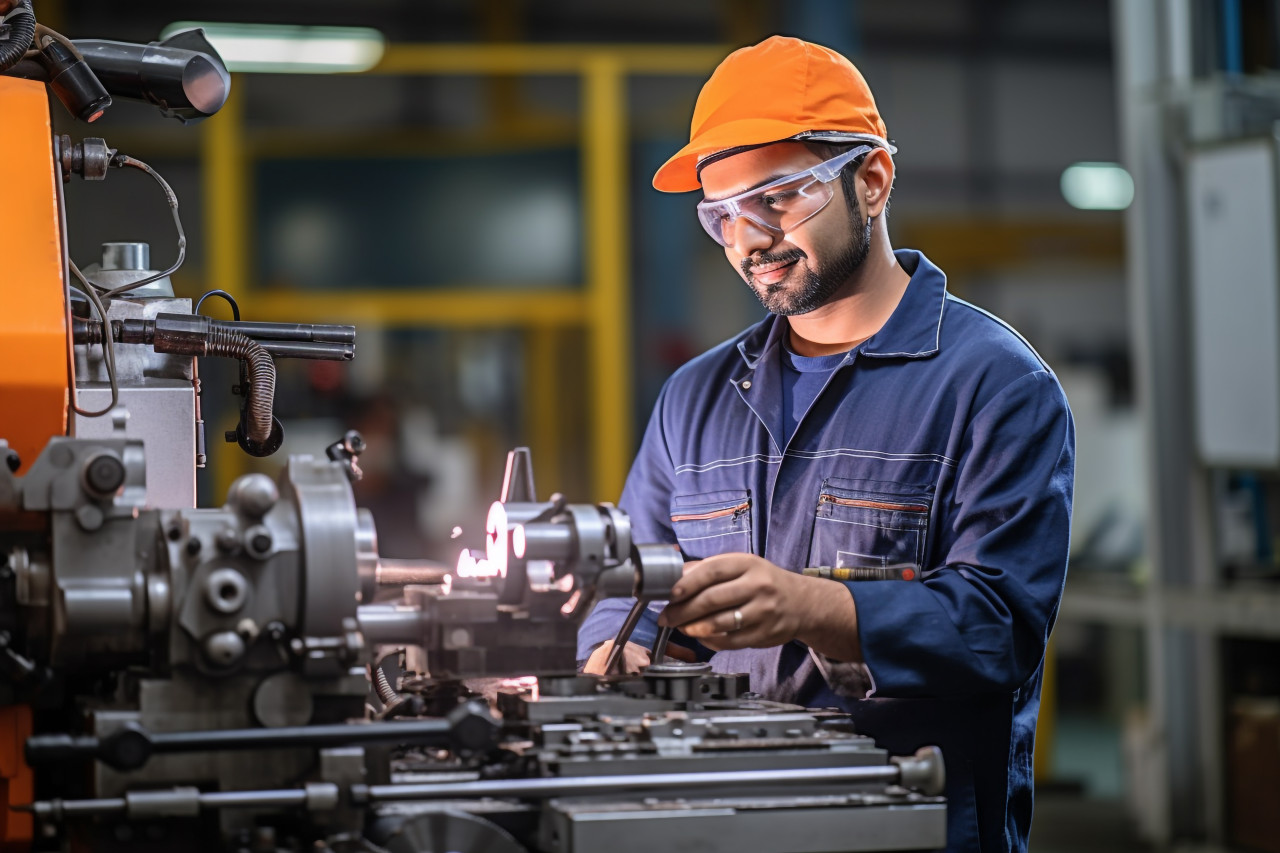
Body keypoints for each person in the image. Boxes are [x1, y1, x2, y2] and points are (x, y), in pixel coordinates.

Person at [576, 35, 1074, 853]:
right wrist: (617, 645)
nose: (748, 239)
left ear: (871, 180)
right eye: (722, 215)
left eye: (776, 198)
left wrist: (817, 607)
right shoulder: (694, 400)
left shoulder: (995, 386)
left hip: (910, 827)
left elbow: (998, 631)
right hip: (717, 823)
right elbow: (628, 577)